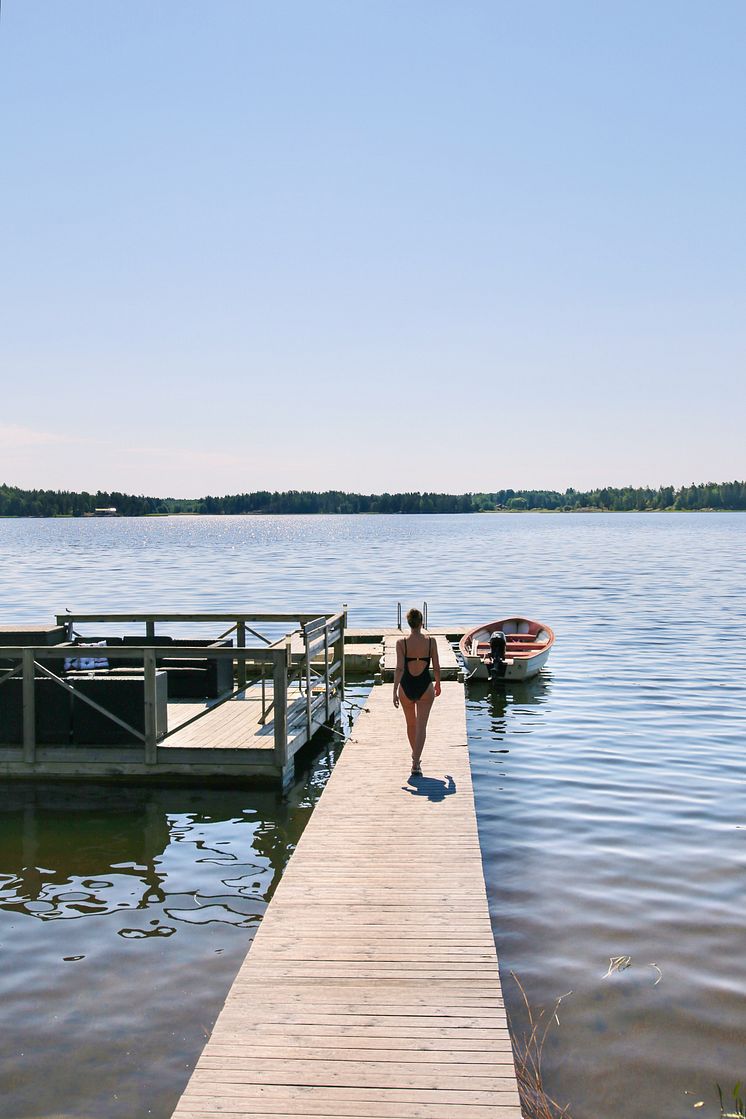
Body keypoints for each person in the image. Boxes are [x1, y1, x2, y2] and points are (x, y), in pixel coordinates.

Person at [393, 607, 441, 776]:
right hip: (425, 686)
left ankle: (416, 758)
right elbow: (436, 666)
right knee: (421, 727)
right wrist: (438, 684)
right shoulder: (431, 642)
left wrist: (394, 691)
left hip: (405, 686)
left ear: (409, 623)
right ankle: (415, 762)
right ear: (422, 623)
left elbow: (399, 669)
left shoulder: (401, 643)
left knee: (411, 725)